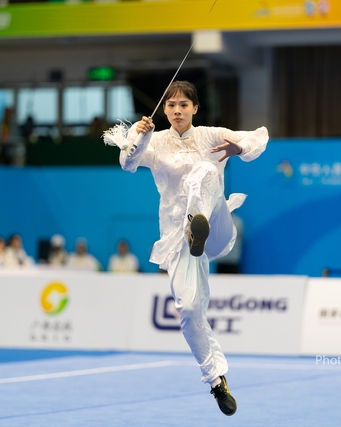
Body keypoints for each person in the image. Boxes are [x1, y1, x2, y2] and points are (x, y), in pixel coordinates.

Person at [103, 80, 268, 416]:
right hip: (178, 240)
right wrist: (138, 136)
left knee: (205, 171)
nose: (177, 110)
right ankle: (216, 380)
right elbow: (127, 163)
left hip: (217, 226)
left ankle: (199, 225)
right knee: (189, 309)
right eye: (171, 105)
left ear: (195, 108)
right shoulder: (156, 141)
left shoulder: (210, 135)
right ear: (163, 110)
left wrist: (240, 148)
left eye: (183, 105)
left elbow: (258, 138)